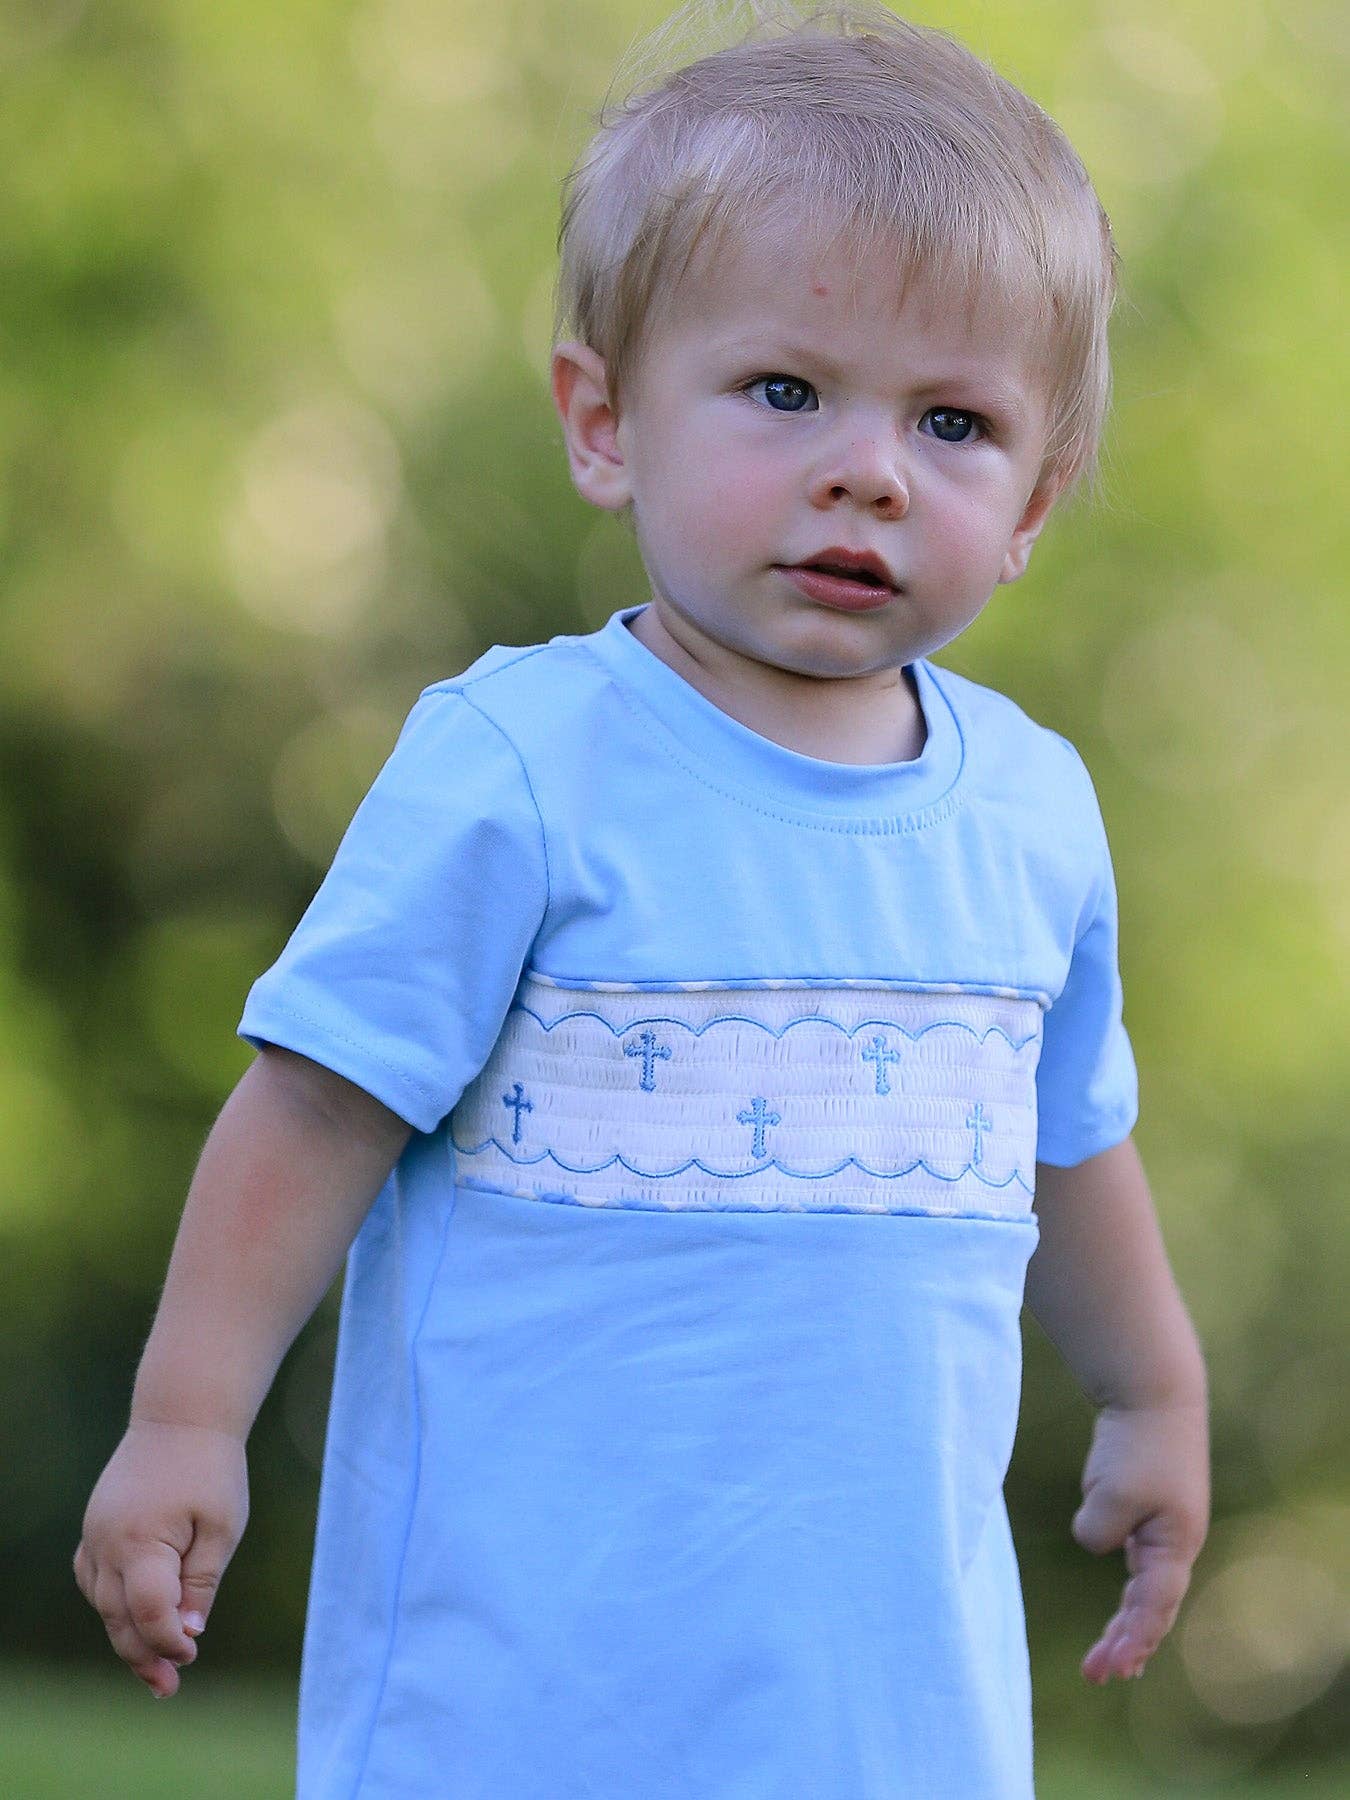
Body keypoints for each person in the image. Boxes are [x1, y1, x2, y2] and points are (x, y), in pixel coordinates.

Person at [74, 3, 1210, 1793]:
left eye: (953, 421)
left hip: (883, 1706)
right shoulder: (524, 766)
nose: (868, 467)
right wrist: (186, 1419)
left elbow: (1070, 1140)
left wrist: (1151, 1396)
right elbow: (316, 1106)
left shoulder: (1030, 814)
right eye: (785, 391)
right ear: (604, 423)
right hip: (524, 1688)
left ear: (1033, 502)